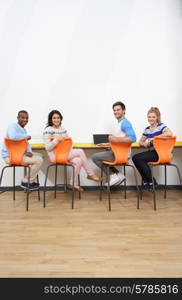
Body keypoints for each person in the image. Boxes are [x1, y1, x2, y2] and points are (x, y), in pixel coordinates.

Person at [43, 110, 101, 192]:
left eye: (58, 118)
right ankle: (91, 174)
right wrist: (56, 140)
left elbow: (70, 143)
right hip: (55, 156)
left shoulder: (63, 129)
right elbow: (48, 148)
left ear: (61, 119)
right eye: (54, 118)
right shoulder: (48, 130)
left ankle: (73, 183)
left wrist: (71, 148)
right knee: (80, 151)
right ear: (51, 119)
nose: (56, 120)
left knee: (79, 160)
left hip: (65, 155)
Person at [91, 101, 136, 186]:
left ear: (124, 111)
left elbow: (133, 138)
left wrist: (115, 138)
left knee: (95, 157)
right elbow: (118, 143)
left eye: (118, 110)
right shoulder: (119, 124)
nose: (116, 112)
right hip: (118, 153)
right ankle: (118, 175)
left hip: (121, 155)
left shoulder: (125, 123)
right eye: (114, 110)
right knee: (103, 157)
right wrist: (107, 144)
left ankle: (113, 175)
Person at [132, 107, 173, 190]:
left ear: (157, 117)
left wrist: (156, 138)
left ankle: (150, 181)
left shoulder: (161, 126)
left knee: (137, 158)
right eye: (149, 117)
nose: (151, 119)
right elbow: (141, 141)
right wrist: (145, 144)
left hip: (162, 154)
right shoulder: (147, 130)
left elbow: (169, 133)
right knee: (136, 158)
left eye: (153, 117)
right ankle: (149, 181)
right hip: (153, 153)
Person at [1, 110, 43, 189]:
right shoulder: (12, 126)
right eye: (23, 117)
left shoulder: (23, 130)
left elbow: (25, 144)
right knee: (39, 160)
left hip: (18, 154)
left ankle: (30, 180)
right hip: (10, 156)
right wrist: (26, 136)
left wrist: (29, 152)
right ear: (17, 118)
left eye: (27, 118)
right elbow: (12, 136)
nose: (25, 120)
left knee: (40, 155)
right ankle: (26, 181)